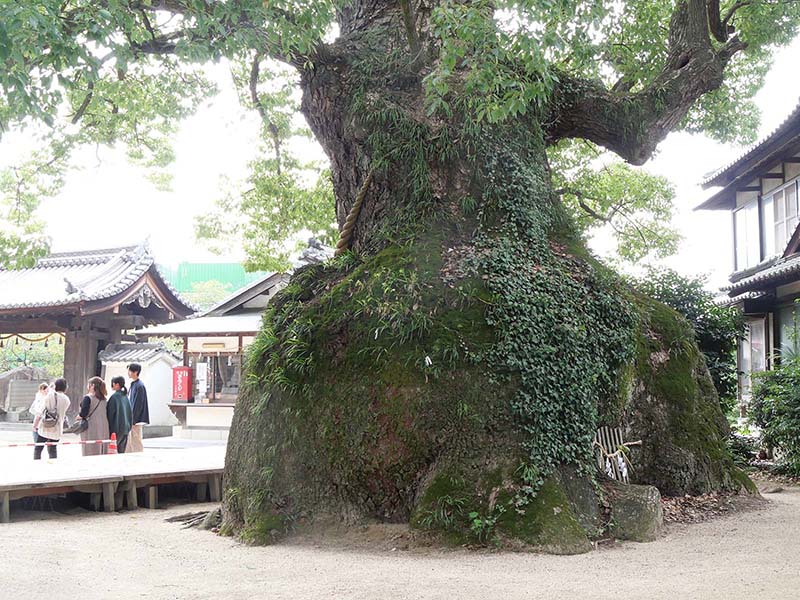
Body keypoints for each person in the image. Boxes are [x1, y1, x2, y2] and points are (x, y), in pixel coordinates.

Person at [32, 379, 70, 460]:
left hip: (45, 427)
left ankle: (36, 464)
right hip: (57, 428)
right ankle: (53, 466)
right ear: (65, 387)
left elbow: (40, 412)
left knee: (38, 449)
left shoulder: (50, 396)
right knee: (52, 449)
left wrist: (35, 425)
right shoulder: (67, 400)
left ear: (55, 386)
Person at [77, 376, 110, 457]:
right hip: (104, 427)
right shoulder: (104, 399)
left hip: (91, 427)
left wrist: (79, 416)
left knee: (90, 448)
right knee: (101, 447)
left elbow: (84, 413)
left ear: (92, 385)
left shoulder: (88, 398)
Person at [127, 363, 149, 453]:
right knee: (131, 438)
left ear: (135, 372)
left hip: (136, 418)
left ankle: (138, 454)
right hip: (133, 417)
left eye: (129, 371)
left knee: (135, 438)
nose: (128, 373)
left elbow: (138, 404)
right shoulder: (134, 384)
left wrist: (133, 418)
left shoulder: (139, 386)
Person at [107, 376, 132, 453]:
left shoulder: (114, 397)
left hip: (116, 429)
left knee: (113, 451)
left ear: (117, 384)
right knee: (121, 452)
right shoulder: (125, 396)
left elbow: (110, 415)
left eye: (113, 384)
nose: (112, 385)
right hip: (125, 428)